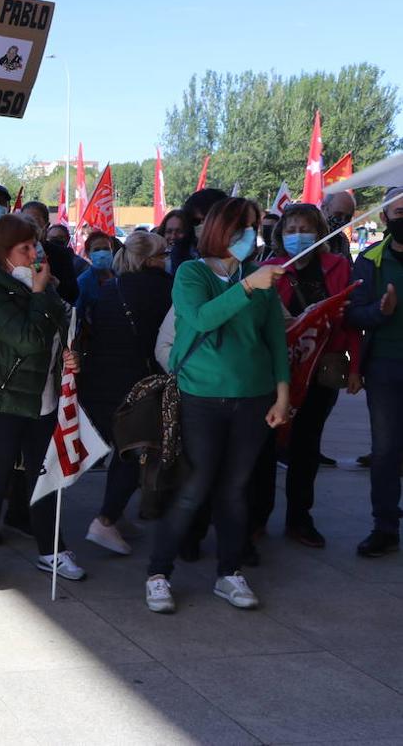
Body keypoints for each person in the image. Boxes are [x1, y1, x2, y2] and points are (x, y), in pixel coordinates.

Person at [144, 197, 290, 614]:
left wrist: (282, 393)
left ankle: (229, 572)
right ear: (219, 229)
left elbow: (275, 339)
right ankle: (158, 572)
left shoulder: (259, 277)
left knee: (235, 489)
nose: (251, 235)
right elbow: (202, 318)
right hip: (201, 398)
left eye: (255, 227)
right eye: (243, 227)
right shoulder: (191, 272)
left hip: (254, 398)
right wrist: (247, 287)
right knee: (194, 487)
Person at [0, 213, 83, 590]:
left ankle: (51, 549)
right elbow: (28, 338)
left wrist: (70, 353)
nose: (35, 253)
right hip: (2, 396)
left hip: (43, 397)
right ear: (3, 254)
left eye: (37, 245)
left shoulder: (40, 282)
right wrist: (38, 293)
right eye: (26, 248)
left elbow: (64, 324)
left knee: (44, 476)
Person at [256, 204, 360, 548]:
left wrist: (355, 365)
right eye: (291, 229)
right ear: (280, 235)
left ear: (319, 232)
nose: (297, 235)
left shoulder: (338, 266)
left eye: (305, 228)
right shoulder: (268, 269)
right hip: (277, 371)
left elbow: (350, 321)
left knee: (306, 445)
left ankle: (300, 519)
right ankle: (258, 518)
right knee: (267, 446)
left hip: (320, 368)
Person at [78, 231, 172, 556]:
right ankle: (105, 521)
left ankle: (113, 514)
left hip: (100, 382)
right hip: (138, 383)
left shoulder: (110, 287)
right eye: (162, 254)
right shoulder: (162, 288)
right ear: (149, 259)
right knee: (135, 453)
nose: (166, 259)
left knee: (121, 451)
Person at [347, 189, 403, 558]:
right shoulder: (370, 260)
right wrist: (380, 311)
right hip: (385, 366)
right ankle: (385, 526)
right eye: (399, 211)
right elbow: (353, 313)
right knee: (385, 451)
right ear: (384, 218)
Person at [75, 230, 119, 322]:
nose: (102, 254)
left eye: (106, 249)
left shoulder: (120, 277)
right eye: (97, 250)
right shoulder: (83, 282)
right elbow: (79, 314)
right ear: (88, 254)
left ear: (112, 250)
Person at [322, 191, 356, 260]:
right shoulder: (308, 238)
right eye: (338, 214)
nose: (343, 220)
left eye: (348, 217)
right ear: (324, 208)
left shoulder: (342, 240)